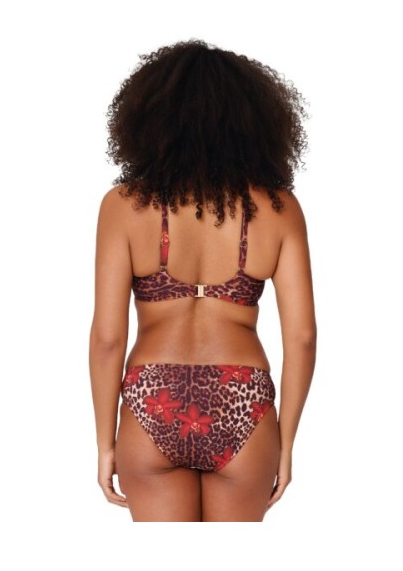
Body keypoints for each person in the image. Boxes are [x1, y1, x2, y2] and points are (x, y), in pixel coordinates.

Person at [89, 39, 317, 522]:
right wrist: (286, 441)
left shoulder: (123, 207)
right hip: (243, 401)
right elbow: (302, 337)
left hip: (153, 399)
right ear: (252, 123)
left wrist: (105, 441)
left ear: (151, 120)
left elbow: (108, 338)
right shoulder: (279, 209)